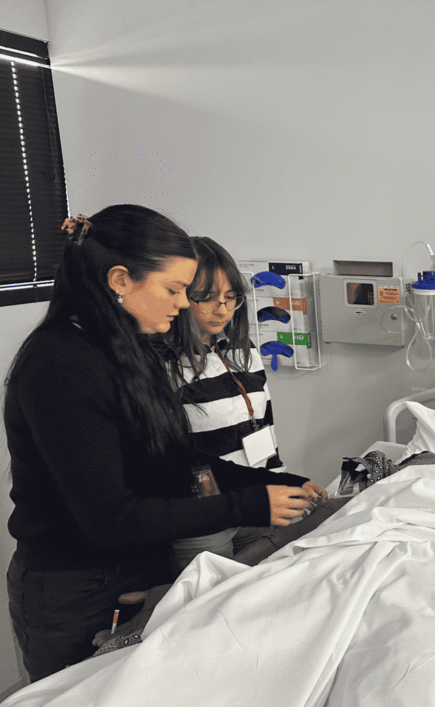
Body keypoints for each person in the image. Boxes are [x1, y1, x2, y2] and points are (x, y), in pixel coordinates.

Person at [4, 205, 322, 682]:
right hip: (77, 592)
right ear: (120, 280)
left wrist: (279, 484)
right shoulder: (61, 366)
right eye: (173, 290)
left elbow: (177, 460)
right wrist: (248, 505)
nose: (181, 305)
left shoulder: (126, 351)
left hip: (137, 572)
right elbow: (112, 519)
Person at [163, 236, 323, 575]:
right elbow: (175, 458)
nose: (222, 309)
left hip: (262, 500)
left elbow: (263, 427)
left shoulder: (242, 350)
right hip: (206, 515)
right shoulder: (164, 365)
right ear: (180, 298)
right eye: (206, 299)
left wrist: (286, 483)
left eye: (230, 297)